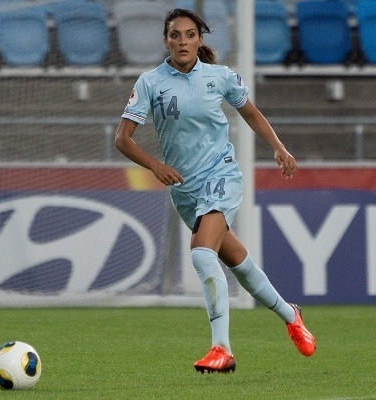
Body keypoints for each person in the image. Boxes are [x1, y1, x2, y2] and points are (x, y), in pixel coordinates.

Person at [114, 8, 316, 374]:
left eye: (190, 35)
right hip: (184, 189)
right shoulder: (150, 83)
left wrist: (279, 147)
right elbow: (122, 139)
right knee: (238, 261)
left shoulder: (219, 77)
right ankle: (291, 315)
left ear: (199, 40)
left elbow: (251, 113)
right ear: (165, 41)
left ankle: (221, 348)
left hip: (221, 174)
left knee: (202, 254)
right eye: (175, 35)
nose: (182, 42)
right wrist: (154, 165)